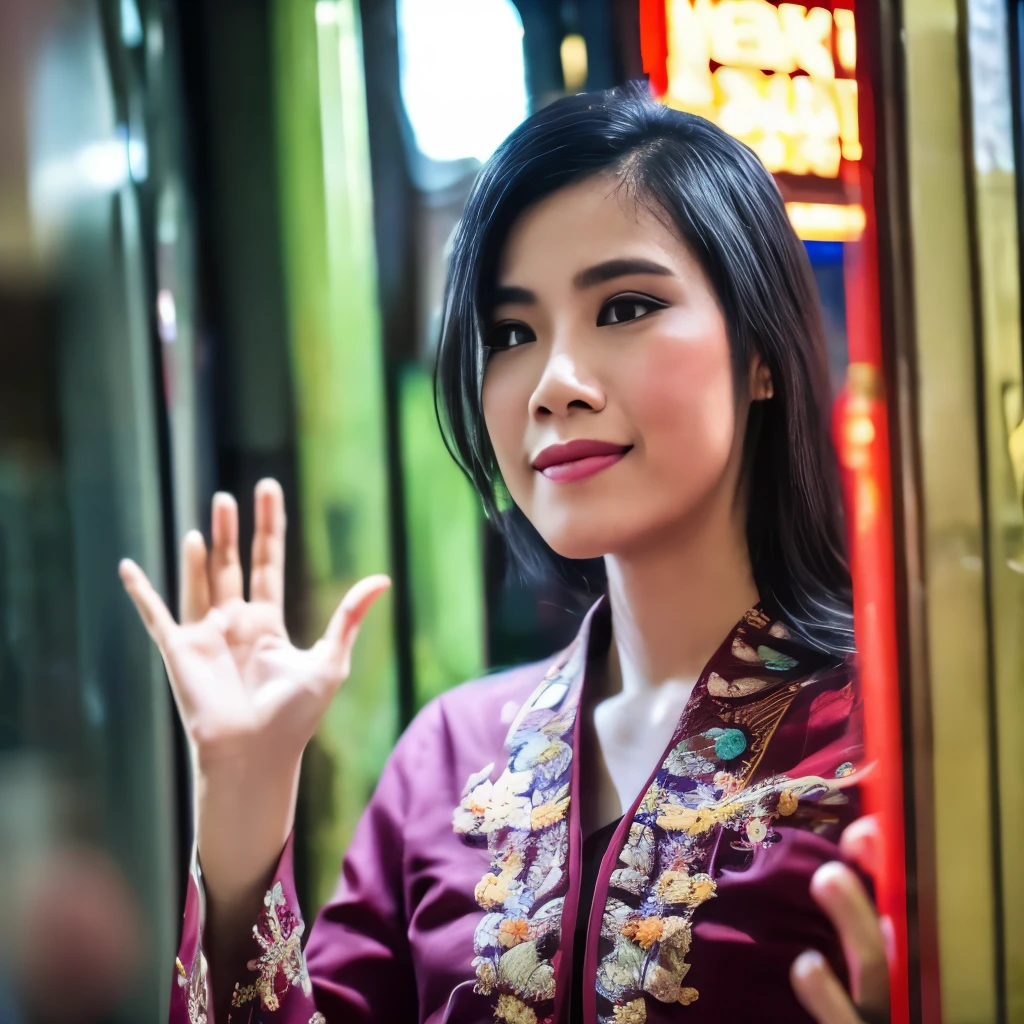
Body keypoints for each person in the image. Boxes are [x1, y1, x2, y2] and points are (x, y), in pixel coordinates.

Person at [120, 85, 891, 1024]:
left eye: (626, 306)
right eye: (513, 334)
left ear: (760, 350)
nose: (554, 385)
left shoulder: (892, 749)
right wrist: (240, 823)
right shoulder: (446, 761)